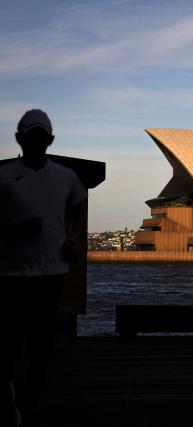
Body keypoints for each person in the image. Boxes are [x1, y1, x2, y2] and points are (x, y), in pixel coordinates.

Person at [1, 109, 87, 427]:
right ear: (19, 139)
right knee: (10, 340)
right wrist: (14, 230)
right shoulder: (4, 176)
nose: (37, 142)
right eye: (31, 136)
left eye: (41, 137)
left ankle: (35, 401)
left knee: (43, 339)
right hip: (11, 272)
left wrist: (74, 239)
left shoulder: (66, 177)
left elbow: (78, 209)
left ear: (50, 140)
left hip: (52, 270)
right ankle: (11, 397)